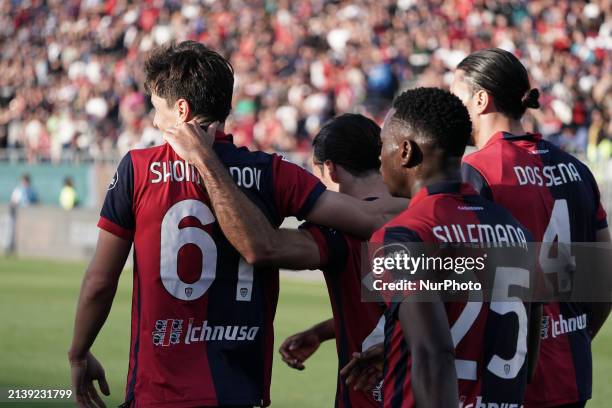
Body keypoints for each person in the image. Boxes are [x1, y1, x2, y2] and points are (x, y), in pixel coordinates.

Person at [68, 41, 406, 408]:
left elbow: (100, 281)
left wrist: (79, 352)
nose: (153, 120)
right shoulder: (271, 172)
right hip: (241, 391)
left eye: (157, 109)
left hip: (158, 392)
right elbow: (371, 217)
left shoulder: (136, 169)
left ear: (181, 110)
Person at [168, 113, 390, 407]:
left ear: (330, 171)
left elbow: (262, 247)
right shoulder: (422, 218)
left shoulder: (339, 234)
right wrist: (322, 332)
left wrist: (205, 161)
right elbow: (400, 309)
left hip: (374, 396)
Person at [451, 48, 611, 408]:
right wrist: (577, 336)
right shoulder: (576, 168)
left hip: (507, 375)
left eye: (455, 96)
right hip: (571, 372)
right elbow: (604, 277)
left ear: (480, 99)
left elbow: (466, 276)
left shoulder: (477, 171)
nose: (450, 108)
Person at [370, 87, 540, 408]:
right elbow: (527, 361)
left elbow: (435, 353)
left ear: (406, 151)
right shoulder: (517, 230)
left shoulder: (403, 235)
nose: (379, 157)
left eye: (382, 146)